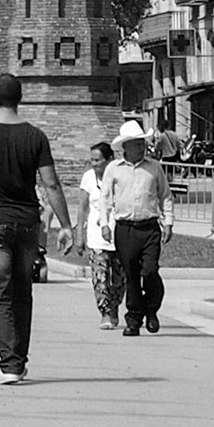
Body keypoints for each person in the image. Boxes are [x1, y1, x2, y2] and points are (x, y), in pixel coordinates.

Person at [0, 72, 76, 385]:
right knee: (22, 291)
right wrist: (65, 225)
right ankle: (17, 360)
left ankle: (9, 364)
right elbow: (51, 183)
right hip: (27, 224)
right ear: (20, 98)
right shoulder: (35, 137)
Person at [102, 116, 173, 336]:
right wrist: (104, 224)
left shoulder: (154, 168)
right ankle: (134, 319)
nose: (142, 147)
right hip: (125, 228)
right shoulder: (113, 169)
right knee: (131, 275)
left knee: (150, 271)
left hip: (150, 227)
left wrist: (168, 222)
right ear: (126, 147)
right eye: (137, 144)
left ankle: (151, 309)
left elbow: (165, 195)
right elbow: (105, 198)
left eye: (143, 143)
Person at [74, 141, 122, 331]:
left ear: (109, 160)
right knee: (99, 276)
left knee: (119, 278)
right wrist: (79, 235)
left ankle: (115, 305)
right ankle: (105, 312)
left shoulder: (119, 175)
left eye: (98, 160)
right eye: (92, 160)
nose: (94, 164)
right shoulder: (88, 178)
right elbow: (82, 208)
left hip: (119, 234)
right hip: (96, 236)